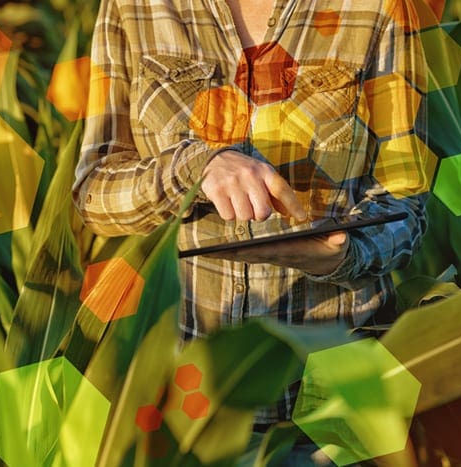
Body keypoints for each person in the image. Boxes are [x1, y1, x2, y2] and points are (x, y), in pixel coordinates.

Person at [73, 0, 430, 463]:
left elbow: (406, 205)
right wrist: (194, 166)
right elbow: (95, 192)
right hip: (189, 399)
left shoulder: (378, 8)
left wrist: (342, 255)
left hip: (334, 402)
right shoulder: (134, 8)